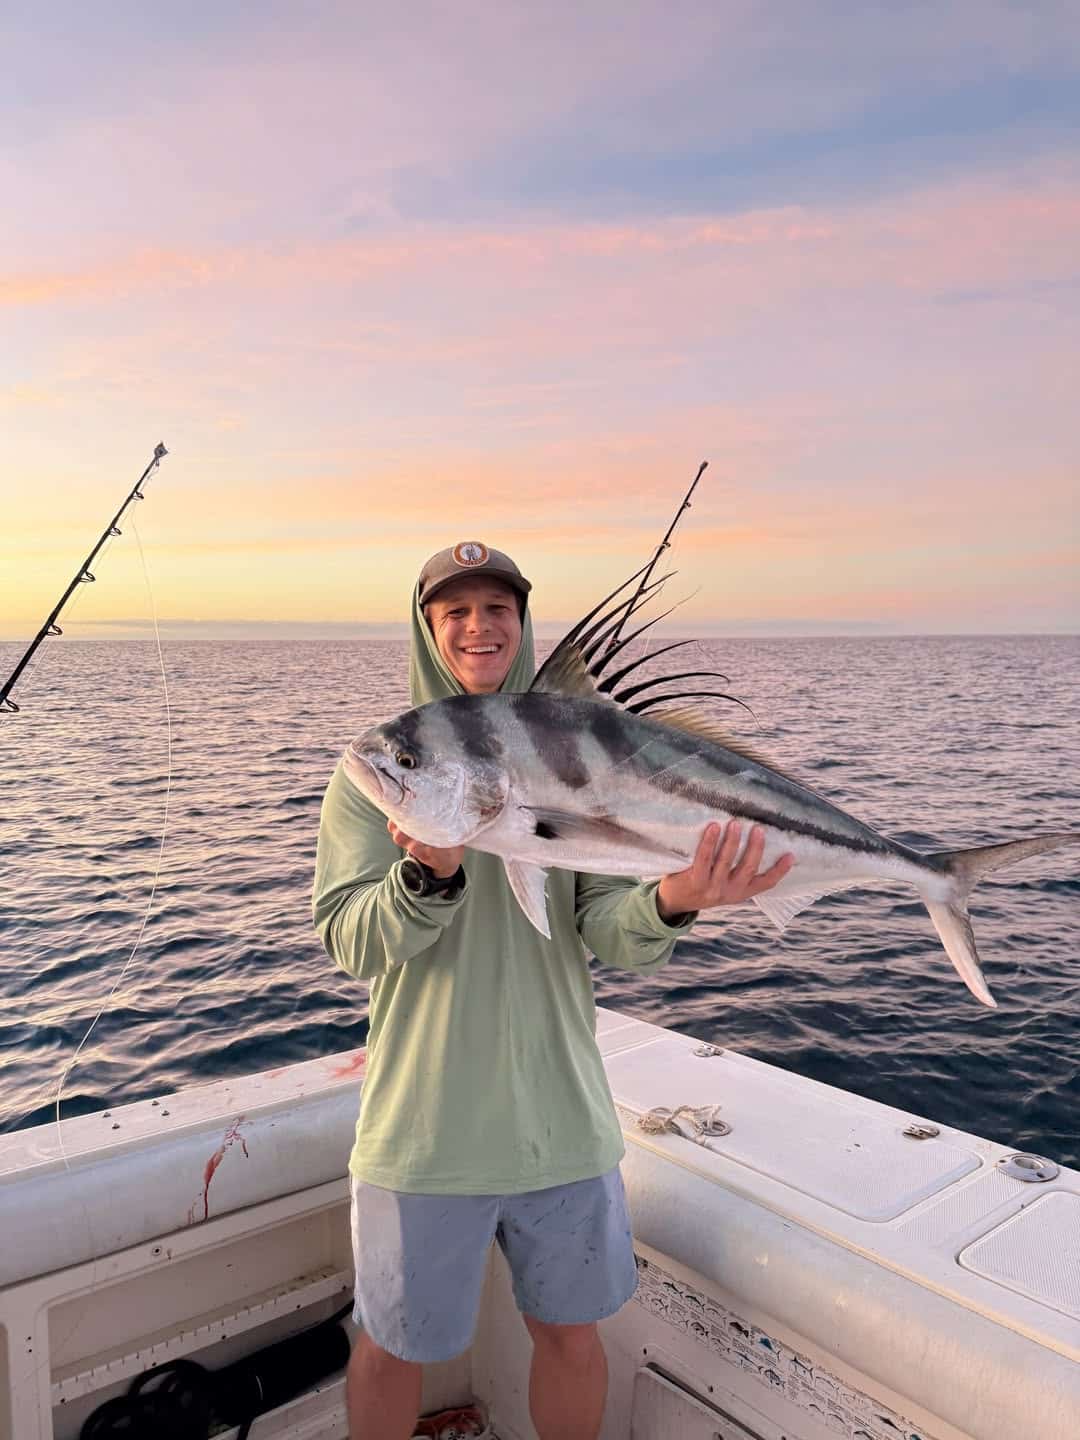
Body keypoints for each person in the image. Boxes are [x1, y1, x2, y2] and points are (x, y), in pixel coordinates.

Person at [313, 542, 793, 1440]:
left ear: (522, 623)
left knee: (572, 1336)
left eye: (497, 607)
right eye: (454, 610)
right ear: (427, 628)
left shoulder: (576, 754)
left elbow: (610, 933)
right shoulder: (386, 771)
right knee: (391, 1345)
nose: (478, 625)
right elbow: (351, 940)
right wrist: (428, 874)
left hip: (563, 1124)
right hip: (425, 1129)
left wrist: (679, 896)